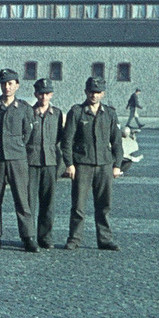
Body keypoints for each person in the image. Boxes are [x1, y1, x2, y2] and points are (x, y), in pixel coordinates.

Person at [61, 77, 124, 251]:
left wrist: (117, 164)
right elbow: (67, 141)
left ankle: (105, 239)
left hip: (104, 164)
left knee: (104, 205)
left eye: (97, 92)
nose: (94, 95)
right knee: (79, 205)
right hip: (82, 164)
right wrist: (69, 163)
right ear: (85, 92)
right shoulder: (77, 112)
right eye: (91, 92)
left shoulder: (110, 113)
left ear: (102, 93)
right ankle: (74, 239)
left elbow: (116, 141)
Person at [0, 69, 37, 252]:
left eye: (10, 83)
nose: (7, 87)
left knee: (22, 198)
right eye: (4, 83)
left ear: (17, 85)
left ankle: (28, 236)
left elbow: (28, 134)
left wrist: (17, 147)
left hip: (17, 158)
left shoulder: (25, 108)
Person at [27, 79, 65, 250]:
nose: (44, 96)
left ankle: (45, 236)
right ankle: (29, 236)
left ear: (52, 95)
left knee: (48, 202)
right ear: (35, 94)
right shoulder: (28, 112)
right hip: (31, 162)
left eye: (47, 93)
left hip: (50, 162)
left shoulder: (56, 114)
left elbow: (60, 139)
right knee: (29, 203)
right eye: (41, 93)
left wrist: (60, 164)